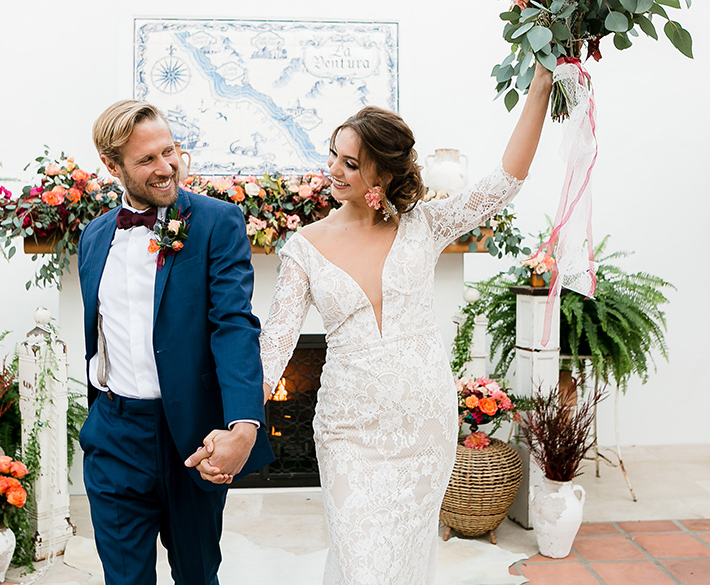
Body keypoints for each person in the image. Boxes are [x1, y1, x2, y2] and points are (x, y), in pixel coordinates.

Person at [187, 66, 553, 584]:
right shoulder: (304, 247)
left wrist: (539, 84)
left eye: (351, 163)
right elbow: (274, 344)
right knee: (362, 561)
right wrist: (239, 424)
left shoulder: (426, 225)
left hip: (425, 425)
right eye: (333, 154)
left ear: (383, 175)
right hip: (350, 432)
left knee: (404, 562)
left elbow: (504, 183)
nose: (334, 169)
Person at [77, 99, 275, 585]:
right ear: (111, 165)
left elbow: (233, 324)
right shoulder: (93, 236)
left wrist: (243, 426)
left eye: (171, 151)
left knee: (197, 575)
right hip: (114, 433)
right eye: (147, 160)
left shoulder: (216, 223)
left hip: (191, 438)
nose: (167, 168)